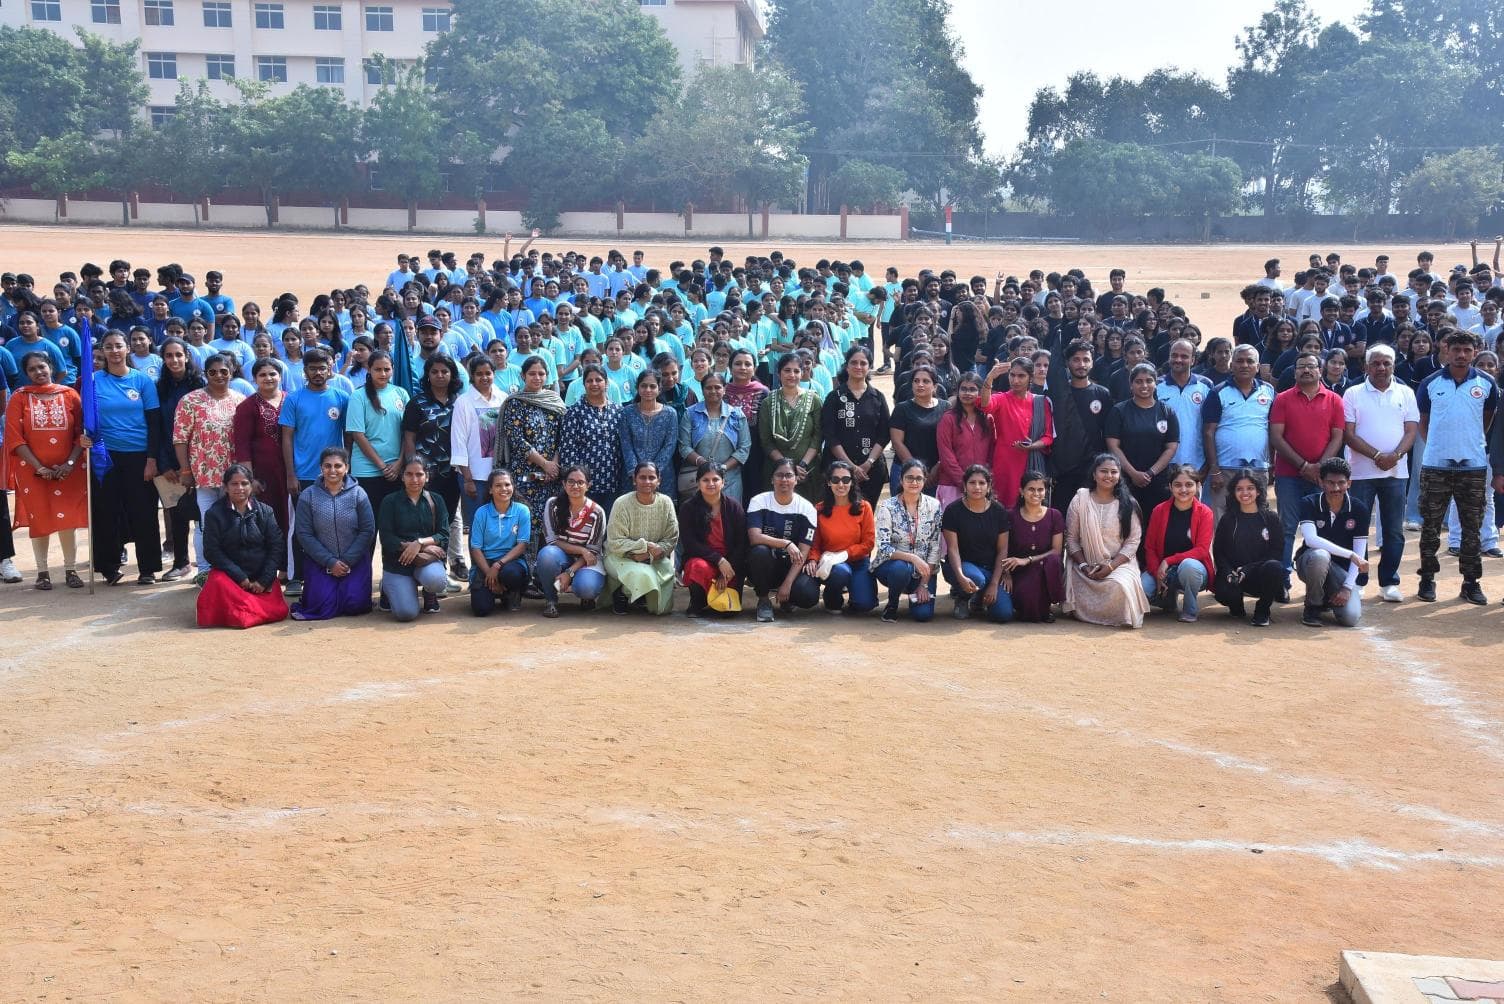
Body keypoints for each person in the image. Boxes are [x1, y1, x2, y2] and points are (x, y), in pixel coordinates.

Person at [1416, 328, 1495, 604]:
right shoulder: (1430, 383)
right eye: (1456, 350)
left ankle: (1471, 582)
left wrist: (1466, 445)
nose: (1461, 355)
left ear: (1474, 352)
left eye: (1467, 350)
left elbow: (1486, 421)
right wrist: (1440, 447)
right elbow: (1423, 423)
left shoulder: (1486, 384)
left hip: (1473, 467)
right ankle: (1427, 578)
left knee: (1471, 527)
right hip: (1436, 465)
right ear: (1446, 350)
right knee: (1431, 526)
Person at [3, 351, 88, 589]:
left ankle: (70, 569)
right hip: (32, 471)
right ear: (26, 373)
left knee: (67, 517)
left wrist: (69, 464)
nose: (38, 372)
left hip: (68, 471)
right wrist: (39, 467)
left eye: (42, 367)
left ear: (51, 367)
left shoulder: (70, 395)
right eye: (32, 369)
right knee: (39, 517)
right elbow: (14, 438)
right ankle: (43, 573)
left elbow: (81, 434)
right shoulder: (19, 397)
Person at [1342, 344, 1419, 603]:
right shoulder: (1353, 393)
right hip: (1361, 472)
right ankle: (1358, 579)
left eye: (1386, 363)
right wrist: (1377, 456)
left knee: (1394, 530)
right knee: (1358, 529)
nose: (1381, 368)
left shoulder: (1406, 392)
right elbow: (1348, 434)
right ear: (1366, 366)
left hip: (1396, 473)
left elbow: (1411, 431)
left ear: (1393, 365)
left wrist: (1394, 456)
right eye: (1375, 363)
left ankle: (1389, 582)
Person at [91, 329, 164, 585]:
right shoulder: (92, 382)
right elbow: (85, 421)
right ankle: (109, 567)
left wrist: (151, 459)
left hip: (138, 456)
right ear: (103, 351)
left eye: (118, 346)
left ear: (127, 349)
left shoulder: (142, 381)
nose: (114, 351)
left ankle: (147, 568)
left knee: (143, 512)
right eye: (108, 347)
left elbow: (154, 422)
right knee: (106, 512)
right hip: (105, 457)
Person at [1269, 352, 1347, 579]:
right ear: (1294, 372)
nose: (1306, 370)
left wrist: (1320, 468)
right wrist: (1304, 466)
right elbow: (1276, 437)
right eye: (1301, 366)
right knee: (1287, 529)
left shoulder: (1334, 400)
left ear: (1320, 371)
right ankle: (1282, 580)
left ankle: (1325, 580)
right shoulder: (1282, 399)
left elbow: (1337, 437)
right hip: (1288, 476)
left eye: (1311, 366)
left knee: (1324, 529)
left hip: (1322, 479)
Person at [279, 348, 350, 595]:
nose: (318, 372)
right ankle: (296, 577)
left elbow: (348, 436)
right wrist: (291, 474)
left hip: (333, 476)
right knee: (301, 528)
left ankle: (331, 572)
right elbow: (286, 438)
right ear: (305, 371)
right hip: (303, 475)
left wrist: (346, 469)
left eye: (322, 367)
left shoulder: (341, 397)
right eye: (313, 368)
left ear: (330, 368)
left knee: (333, 525)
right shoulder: (294, 399)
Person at [172, 352, 245, 584]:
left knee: (234, 522)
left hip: (233, 476)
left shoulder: (240, 400)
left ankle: (232, 568)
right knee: (206, 523)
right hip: (203, 474)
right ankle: (204, 569)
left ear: (231, 373)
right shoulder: (190, 401)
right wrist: (185, 471)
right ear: (205, 374)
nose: (219, 376)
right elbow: (180, 438)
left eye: (224, 371)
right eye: (213, 372)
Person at [196, 464, 288, 628]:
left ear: (251, 485)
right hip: (230, 578)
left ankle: (247, 609)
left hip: (260, 578)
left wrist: (264, 580)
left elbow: (276, 546)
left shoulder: (265, 511)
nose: (240, 488)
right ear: (225, 487)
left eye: (244, 483)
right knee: (217, 581)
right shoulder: (214, 514)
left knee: (279, 612)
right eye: (234, 484)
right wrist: (240, 577)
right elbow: (212, 551)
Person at [1063, 453, 1149, 628]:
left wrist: (1110, 567)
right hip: (1084, 567)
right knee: (1077, 584)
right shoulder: (1080, 499)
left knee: (1119, 587)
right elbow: (1071, 539)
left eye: (1114, 472)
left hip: (1118, 564)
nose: (1109, 476)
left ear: (1119, 476)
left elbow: (1133, 541)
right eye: (1103, 471)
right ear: (1094, 474)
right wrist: (1084, 565)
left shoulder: (1127, 503)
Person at [290, 446, 374, 621]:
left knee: (355, 604)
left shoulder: (359, 494)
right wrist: (330, 562)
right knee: (321, 603)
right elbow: (304, 534)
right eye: (327, 466)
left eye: (338, 466)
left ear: (347, 468)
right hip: (319, 561)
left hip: (354, 560)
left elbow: (367, 530)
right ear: (321, 468)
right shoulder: (308, 495)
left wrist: (347, 560)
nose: (332, 470)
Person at [400, 354, 461, 583]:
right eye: (434, 372)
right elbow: (408, 438)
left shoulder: (459, 401)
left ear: (452, 374)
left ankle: (441, 570)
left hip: (452, 473)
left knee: (445, 522)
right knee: (426, 520)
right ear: (427, 375)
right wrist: (412, 470)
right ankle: (423, 568)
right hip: (425, 475)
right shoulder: (417, 403)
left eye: (444, 371)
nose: (439, 376)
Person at [1201, 344, 1275, 523]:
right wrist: (1214, 469)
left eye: (1250, 361)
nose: (1244, 365)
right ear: (1232, 365)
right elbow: (1208, 432)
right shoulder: (1218, 392)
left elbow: (1273, 431)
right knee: (1222, 519)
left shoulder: (1270, 391)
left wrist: (1272, 465)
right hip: (1225, 469)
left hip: (1258, 468)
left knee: (1256, 519)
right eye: (1239, 361)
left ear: (1257, 367)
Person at [497, 354, 565, 544]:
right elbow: (516, 440)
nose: (537, 378)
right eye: (532, 374)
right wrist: (544, 464)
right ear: (523, 376)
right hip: (524, 475)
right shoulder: (514, 403)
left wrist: (554, 465)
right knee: (525, 519)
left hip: (552, 475)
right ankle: (526, 566)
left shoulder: (555, 402)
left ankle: (548, 565)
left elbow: (563, 437)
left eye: (541, 374)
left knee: (551, 518)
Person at [1295, 457, 1370, 627]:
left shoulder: (1359, 509)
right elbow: (1311, 540)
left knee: (1350, 618)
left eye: (1341, 483)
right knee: (1321, 555)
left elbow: (1359, 551)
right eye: (1330, 482)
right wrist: (1350, 554)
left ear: (1349, 483)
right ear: (1321, 482)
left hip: (1341, 570)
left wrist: (1347, 587)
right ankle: (1313, 605)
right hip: (1310, 563)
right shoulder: (1309, 503)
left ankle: (1328, 596)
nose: (1336, 488)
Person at [745, 456, 821, 622]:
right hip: (765, 565)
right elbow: (754, 537)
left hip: (791, 566)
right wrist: (786, 543)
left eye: (789, 475)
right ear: (772, 479)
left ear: (796, 479)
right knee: (759, 551)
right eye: (779, 475)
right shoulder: (759, 501)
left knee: (808, 595)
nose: (784, 480)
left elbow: (803, 552)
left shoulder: (807, 508)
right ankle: (764, 600)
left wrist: (787, 583)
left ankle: (788, 598)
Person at [450, 354, 506, 575]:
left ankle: (500, 572)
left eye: (488, 373)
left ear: (494, 374)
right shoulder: (464, 402)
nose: (484, 377)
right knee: (476, 528)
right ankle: (478, 574)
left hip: (499, 477)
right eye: (479, 374)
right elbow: (459, 441)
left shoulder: (503, 399)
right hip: (474, 477)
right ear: (472, 376)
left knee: (499, 526)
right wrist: (468, 478)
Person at [232, 358, 289, 575]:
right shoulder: (247, 407)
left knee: (288, 517)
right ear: (254, 378)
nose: (268, 378)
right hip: (262, 475)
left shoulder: (289, 401)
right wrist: (249, 479)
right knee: (266, 520)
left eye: (272, 374)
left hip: (289, 470)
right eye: (263, 375)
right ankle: (267, 569)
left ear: (280, 376)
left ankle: (287, 567)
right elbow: (242, 445)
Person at [376, 457, 451, 621]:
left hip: (425, 561)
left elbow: (444, 534)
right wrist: (418, 547)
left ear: (427, 476)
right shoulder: (390, 501)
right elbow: (387, 539)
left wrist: (420, 543)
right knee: (406, 614)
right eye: (409, 474)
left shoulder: (436, 500)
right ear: (402, 476)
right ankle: (387, 589)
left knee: (437, 581)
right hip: (398, 563)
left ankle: (429, 593)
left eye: (419, 474)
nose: (414, 479)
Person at [1104, 362, 1179, 522]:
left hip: (1158, 481)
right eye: (1138, 381)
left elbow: (1171, 447)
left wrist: (1151, 473)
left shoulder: (1167, 411)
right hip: (1126, 480)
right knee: (1128, 524)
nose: (1144, 385)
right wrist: (1133, 474)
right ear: (1131, 385)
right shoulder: (1119, 411)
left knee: (1157, 524)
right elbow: (1113, 445)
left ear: (1155, 383)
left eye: (1149, 381)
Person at [941, 464, 1014, 622]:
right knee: (975, 577)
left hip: (990, 570)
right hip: (962, 566)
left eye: (982, 483)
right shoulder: (953, 511)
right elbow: (952, 549)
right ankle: (963, 597)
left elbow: (1002, 550)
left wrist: (995, 583)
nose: (977, 487)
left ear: (988, 487)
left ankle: (979, 596)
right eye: (972, 483)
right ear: (965, 486)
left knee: (1003, 615)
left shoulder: (999, 511)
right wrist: (960, 576)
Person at [873, 458, 944, 622]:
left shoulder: (934, 506)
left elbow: (935, 545)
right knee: (901, 569)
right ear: (901, 480)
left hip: (924, 571)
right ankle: (892, 604)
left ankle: (915, 588)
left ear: (924, 481)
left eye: (919, 478)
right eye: (909, 478)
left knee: (923, 615)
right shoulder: (887, 506)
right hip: (892, 567)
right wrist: (913, 558)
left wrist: (924, 584)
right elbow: (884, 548)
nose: (914, 482)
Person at [1141, 465, 1215, 622]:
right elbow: (1150, 547)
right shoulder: (1159, 511)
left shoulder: (1205, 512)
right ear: (1170, 487)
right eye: (1177, 485)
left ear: (1198, 486)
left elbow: (1201, 550)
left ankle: (1190, 609)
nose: (1183, 489)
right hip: (1163, 570)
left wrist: (1168, 560)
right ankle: (1168, 599)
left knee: (1189, 566)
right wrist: (1156, 574)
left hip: (1193, 570)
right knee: (1142, 589)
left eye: (1189, 484)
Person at [603, 461, 679, 615]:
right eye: (642, 477)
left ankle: (640, 595)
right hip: (620, 557)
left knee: (660, 608)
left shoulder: (666, 503)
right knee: (644, 575)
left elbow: (671, 538)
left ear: (659, 480)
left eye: (652, 477)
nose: (647, 482)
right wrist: (645, 546)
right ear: (634, 480)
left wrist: (649, 553)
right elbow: (615, 542)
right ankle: (622, 593)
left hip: (654, 557)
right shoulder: (622, 503)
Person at [1212, 469, 1285, 626]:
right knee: (1225, 592)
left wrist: (1249, 568)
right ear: (1234, 492)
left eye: (1250, 488)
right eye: (1239, 489)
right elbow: (1218, 551)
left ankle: (1263, 610)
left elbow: (1276, 552)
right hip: (1234, 574)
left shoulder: (1271, 518)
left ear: (1258, 491)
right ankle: (1236, 607)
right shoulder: (1228, 519)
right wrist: (1227, 571)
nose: (1245, 492)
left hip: (1259, 574)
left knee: (1275, 567)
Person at [804, 459, 877, 614]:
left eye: (846, 479)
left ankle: (855, 594)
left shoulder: (864, 507)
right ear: (829, 483)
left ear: (852, 482)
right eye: (835, 480)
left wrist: (845, 554)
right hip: (831, 563)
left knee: (865, 605)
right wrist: (812, 559)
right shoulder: (819, 509)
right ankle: (832, 595)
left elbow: (869, 543)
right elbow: (814, 543)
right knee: (841, 572)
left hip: (858, 561)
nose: (841, 484)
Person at [820, 345, 890, 505]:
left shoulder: (877, 398)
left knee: (866, 516)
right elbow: (830, 435)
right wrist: (850, 467)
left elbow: (884, 434)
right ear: (846, 366)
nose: (858, 367)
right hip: (838, 471)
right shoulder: (834, 397)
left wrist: (868, 463)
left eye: (863, 363)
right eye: (854, 362)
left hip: (871, 471)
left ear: (870, 366)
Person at [536, 464, 608, 617]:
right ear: (564, 484)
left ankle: (584, 596)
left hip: (586, 561)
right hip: (560, 556)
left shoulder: (597, 512)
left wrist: (569, 573)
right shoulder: (553, 505)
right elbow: (552, 541)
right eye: (571, 481)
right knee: (547, 555)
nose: (575, 486)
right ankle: (551, 600)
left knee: (587, 588)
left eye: (580, 482)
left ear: (588, 485)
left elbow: (592, 553)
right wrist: (581, 550)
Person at [678, 460, 749, 617]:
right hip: (704, 559)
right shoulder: (688, 508)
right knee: (696, 566)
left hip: (731, 564)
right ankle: (698, 601)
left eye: (715, 479)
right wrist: (718, 560)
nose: (711, 483)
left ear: (723, 482)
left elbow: (742, 543)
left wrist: (725, 571)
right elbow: (690, 544)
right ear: (698, 483)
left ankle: (715, 599)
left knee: (727, 613)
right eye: (705, 480)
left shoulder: (733, 507)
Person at [980, 357, 1051, 503]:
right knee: (1003, 507)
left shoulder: (1040, 402)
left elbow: (1048, 437)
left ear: (1030, 377)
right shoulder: (1002, 398)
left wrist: (1032, 446)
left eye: (1021, 376)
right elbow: (985, 405)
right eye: (1012, 375)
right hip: (1005, 463)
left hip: (1032, 461)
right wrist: (989, 378)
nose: (1015, 380)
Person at [1001, 470, 1065, 623]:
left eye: (1040, 489)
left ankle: (1045, 606)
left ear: (1045, 492)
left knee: (1054, 560)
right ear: (1021, 491)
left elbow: (1056, 550)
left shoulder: (1054, 515)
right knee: (1027, 601)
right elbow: (1003, 548)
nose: (1036, 493)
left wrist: (1028, 560)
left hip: (1045, 568)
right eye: (1031, 489)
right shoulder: (1010, 516)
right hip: (1018, 570)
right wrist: (1006, 574)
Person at [758, 352, 823, 503]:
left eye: (796, 371)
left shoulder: (814, 400)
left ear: (802, 373)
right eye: (787, 370)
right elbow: (766, 440)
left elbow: (818, 436)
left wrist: (801, 465)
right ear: (779, 373)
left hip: (807, 470)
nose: (791, 375)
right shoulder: (768, 402)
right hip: (776, 471)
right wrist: (787, 467)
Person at [559, 364, 624, 512]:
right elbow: (568, 450)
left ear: (606, 383)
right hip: (584, 484)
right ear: (584, 384)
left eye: (598, 380)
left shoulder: (618, 411)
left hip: (612, 481)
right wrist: (575, 482)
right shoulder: (574, 412)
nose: (594, 384)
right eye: (589, 381)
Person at [468, 467, 532, 615]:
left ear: (513, 487)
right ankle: (495, 589)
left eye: (507, 484)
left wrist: (498, 565)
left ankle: (511, 593)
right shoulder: (481, 512)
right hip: (486, 563)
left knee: (511, 574)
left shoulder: (522, 510)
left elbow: (522, 545)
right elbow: (475, 548)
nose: (504, 489)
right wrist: (489, 572)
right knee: (481, 610)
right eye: (498, 485)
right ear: (490, 490)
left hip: (511, 562)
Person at [622, 368, 677, 485]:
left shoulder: (670, 413)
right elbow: (626, 444)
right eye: (644, 386)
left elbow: (670, 445)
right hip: (633, 476)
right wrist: (635, 472)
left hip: (662, 475)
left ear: (659, 389)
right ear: (637, 388)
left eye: (652, 386)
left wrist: (654, 473)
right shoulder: (627, 412)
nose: (648, 390)